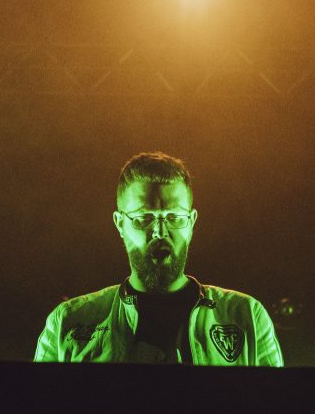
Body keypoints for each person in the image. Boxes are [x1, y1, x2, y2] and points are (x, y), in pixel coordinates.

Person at [33, 151, 283, 366]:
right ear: (120, 224)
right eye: (144, 218)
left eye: (174, 218)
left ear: (192, 223)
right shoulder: (68, 322)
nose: (160, 231)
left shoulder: (246, 316)